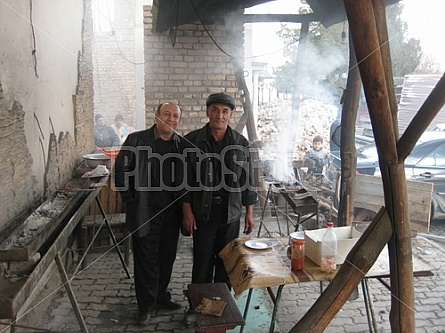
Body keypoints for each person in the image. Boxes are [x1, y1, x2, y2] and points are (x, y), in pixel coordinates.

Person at [181, 92, 257, 325]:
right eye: (215, 110)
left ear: (231, 115)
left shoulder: (240, 144)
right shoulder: (192, 141)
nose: (219, 115)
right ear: (207, 112)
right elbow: (184, 181)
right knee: (202, 261)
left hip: (230, 213)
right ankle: (195, 307)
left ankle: (220, 305)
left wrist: (249, 212)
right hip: (203, 214)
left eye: (225, 111)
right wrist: (187, 211)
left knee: (225, 261)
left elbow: (247, 180)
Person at [113, 103, 186, 327]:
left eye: (175, 116)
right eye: (167, 114)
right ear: (156, 117)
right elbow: (120, 171)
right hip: (145, 212)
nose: (171, 119)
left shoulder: (181, 145)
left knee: (167, 257)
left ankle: (161, 296)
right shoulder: (136, 141)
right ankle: (145, 306)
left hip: (171, 214)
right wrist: (131, 201)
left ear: (178, 121)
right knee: (146, 261)